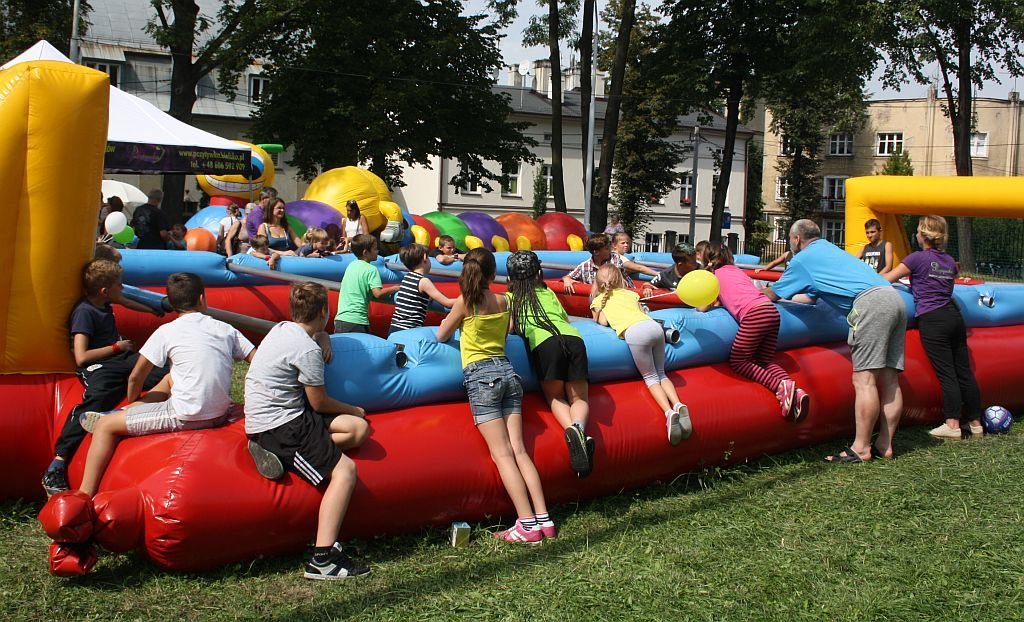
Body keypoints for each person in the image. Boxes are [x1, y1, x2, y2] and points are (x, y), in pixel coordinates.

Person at [75, 272, 256, 497]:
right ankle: (126, 412)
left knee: (105, 426)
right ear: (202, 298)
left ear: (171, 303)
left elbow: (135, 377)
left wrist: (134, 401)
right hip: (220, 410)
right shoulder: (225, 328)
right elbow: (256, 359)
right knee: (170, 378)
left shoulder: (167, 331)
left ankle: (84, 493)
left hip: (187, 415)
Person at [244, 282, 371, 580]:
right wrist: (355, 408)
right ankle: (323, 558)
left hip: (288, 413)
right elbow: (320, 401)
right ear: (325, 311)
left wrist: (324, 336)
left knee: (358, 431)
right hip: (279, 425)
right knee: (346, 472)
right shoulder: (306, 350)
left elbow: (313, 339)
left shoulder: (282, 328)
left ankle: (289, 453)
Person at [763, 219, 905, 462]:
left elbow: (772, 295)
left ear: (797, 239)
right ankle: (885, 445)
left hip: (870, 305)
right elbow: (808, 298)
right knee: (890, 379)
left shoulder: (801, 260)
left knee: (865, 381)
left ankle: (861, 448)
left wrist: (739, 294)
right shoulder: (831, 251)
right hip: (894, 299)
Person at [436, 248, 553, 543]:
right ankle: (544, 519)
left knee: (502, 455)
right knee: (520, 451)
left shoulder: (466, 303)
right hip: (508, 373)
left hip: (482, 377)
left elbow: (441, 335)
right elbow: (506, 334)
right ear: (492, 274)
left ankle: (526, 525)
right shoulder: (504, 300)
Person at [40, 259, 167, 496]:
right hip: (99, 365)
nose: (122, 288)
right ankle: (57, 462)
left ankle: (119, 413)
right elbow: (81, 356)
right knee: (98, 397)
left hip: (121, 359)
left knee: (164, 373)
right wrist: (117, 347)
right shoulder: (85, 313)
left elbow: (127, 300)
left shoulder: (105, 302)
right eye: (119, 285)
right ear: (104, 290)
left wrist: (155, 307)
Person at [885, 215, 983, 440]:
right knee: (964, 372)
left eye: (918, 231)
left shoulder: (916, 258)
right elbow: (949, 279)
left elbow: (888, 278)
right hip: (954, 317)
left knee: (946, 373)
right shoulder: (949, 260)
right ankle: (976, 423)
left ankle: (952, 423)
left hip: (932, 318)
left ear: (923, 235)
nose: (916, 235)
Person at [506, 251, 594, 477]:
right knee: (580, 398)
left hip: (544, 343)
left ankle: (571, 431)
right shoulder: (547, 292)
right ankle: (579, 427)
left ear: (510, 279)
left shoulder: (512, 298)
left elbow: (511, 327)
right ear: (539, 273)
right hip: (574, 339)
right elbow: (563, 318)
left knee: (555, 397)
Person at [698, 242, 809, 420]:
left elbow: (703, 308)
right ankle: (795, 389)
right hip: (771, 311)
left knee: (739, 361)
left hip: (754, 314)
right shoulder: (736, 271)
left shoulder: (713, 277)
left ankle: (779, 386)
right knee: (764, 360)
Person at [590, 263, 692, 445]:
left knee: (651, 377)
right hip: (654, 328)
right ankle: (678, 404)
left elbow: (603, 323)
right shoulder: (630, 293)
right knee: (662, 373)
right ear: (619, 278)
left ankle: (669, 413)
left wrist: (601, 312)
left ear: (597, 282)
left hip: (636, 333)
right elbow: (643, 311)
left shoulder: (598, 300)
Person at [334, 234, 399, 334]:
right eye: (375, 249)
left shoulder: (351, 265)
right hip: (357, 320)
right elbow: (378, 293)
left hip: (341, 318)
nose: (378, 251)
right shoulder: (371, 270)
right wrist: (394, 288)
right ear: (365, 252)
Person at [389, 243, 455, 333]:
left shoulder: (407, 277)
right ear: (425, 258)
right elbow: (447, 303)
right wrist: (466, 300)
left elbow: (416, 295)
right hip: (409, 330)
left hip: (394, 328)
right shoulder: (423, 281)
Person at [562, 233, 652, 294]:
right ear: (596, 252)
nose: (610, 250)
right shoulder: (585, 266)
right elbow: (568, 276)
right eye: (606, 249)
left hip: (624, 294)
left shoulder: (614, 258)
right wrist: (567, 279)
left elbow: (614, 280)